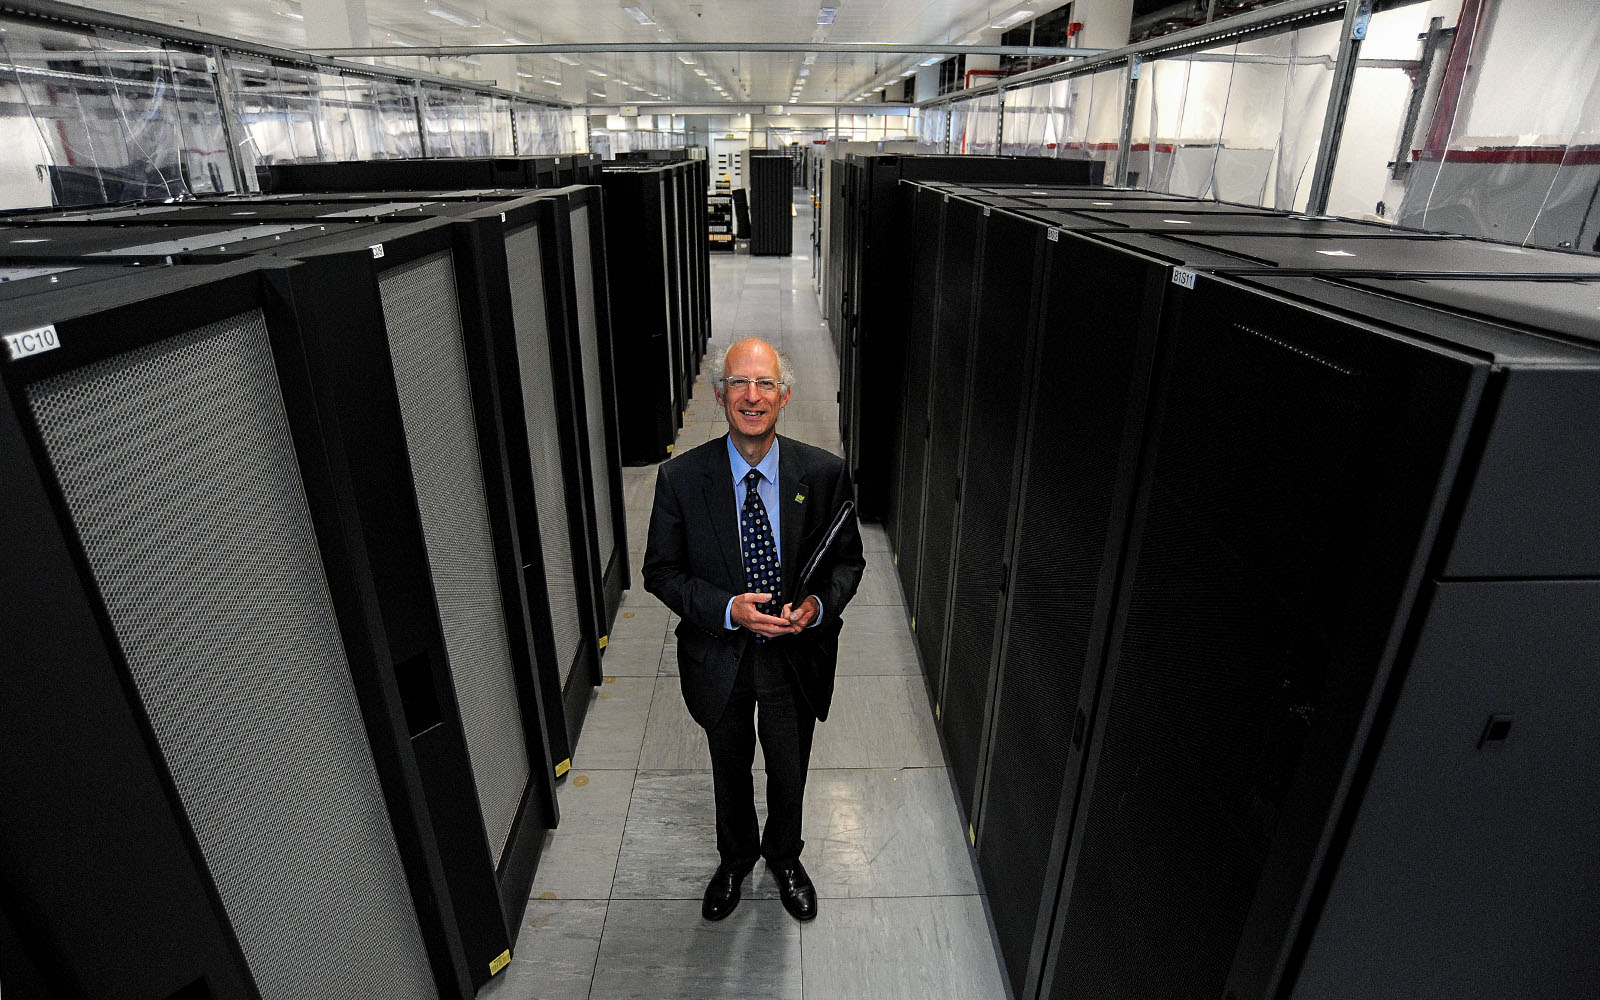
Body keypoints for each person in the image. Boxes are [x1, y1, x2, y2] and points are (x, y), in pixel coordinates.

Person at [642, 336, 865, 923]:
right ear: (720, 396)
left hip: (795, 655)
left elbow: (849, 562)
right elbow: (660, 572)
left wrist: (816, 606)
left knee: (790, 766)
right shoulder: (683, 480)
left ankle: (785, 857)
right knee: (730, 764)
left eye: (765, 384)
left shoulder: (822, 475)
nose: (752, 396)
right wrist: (726, 608)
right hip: (722, 655)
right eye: (739, 383)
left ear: (784, 396)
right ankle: (735, 857)